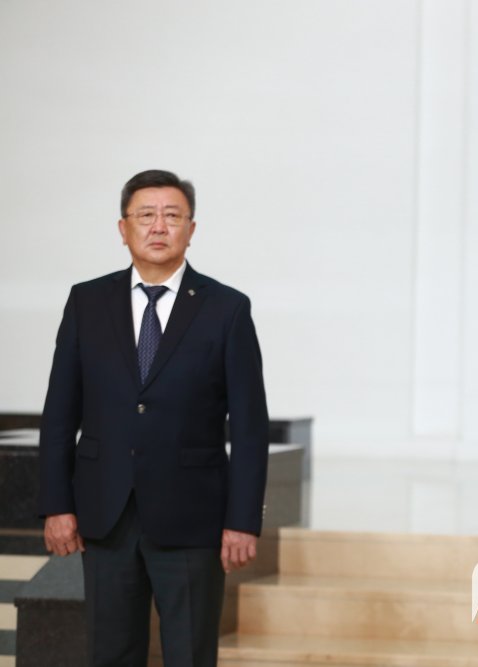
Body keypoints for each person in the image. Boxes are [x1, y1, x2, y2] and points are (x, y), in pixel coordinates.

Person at [38, 169, 270, 666]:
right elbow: (59, 413)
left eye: (172, 216)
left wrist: (242, 520)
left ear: (191, 228)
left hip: (193, 518)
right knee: (111, 653)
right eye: (146, 215)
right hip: (106, 514)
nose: (159, 227)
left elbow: (251, 427)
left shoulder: (227, 309)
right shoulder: (87, 302)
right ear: (123, 228)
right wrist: (57, 504)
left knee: (189, 654)